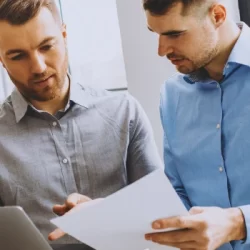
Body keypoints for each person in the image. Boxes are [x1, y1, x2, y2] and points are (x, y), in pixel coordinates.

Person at [0, 0, 162, 246]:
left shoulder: (123, 112)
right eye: (18, 56)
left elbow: (160, 214)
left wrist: (108, 213)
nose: (38, 67)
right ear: (1, 59)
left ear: (64, 36)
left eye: (46, 46)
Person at [142, 0, 250, 249]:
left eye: (174, 34)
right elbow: (178, 192)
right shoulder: (172, 95)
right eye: (156, 34)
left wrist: (238, 223)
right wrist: (111, 213)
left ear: (217, 15)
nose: (161, 49)